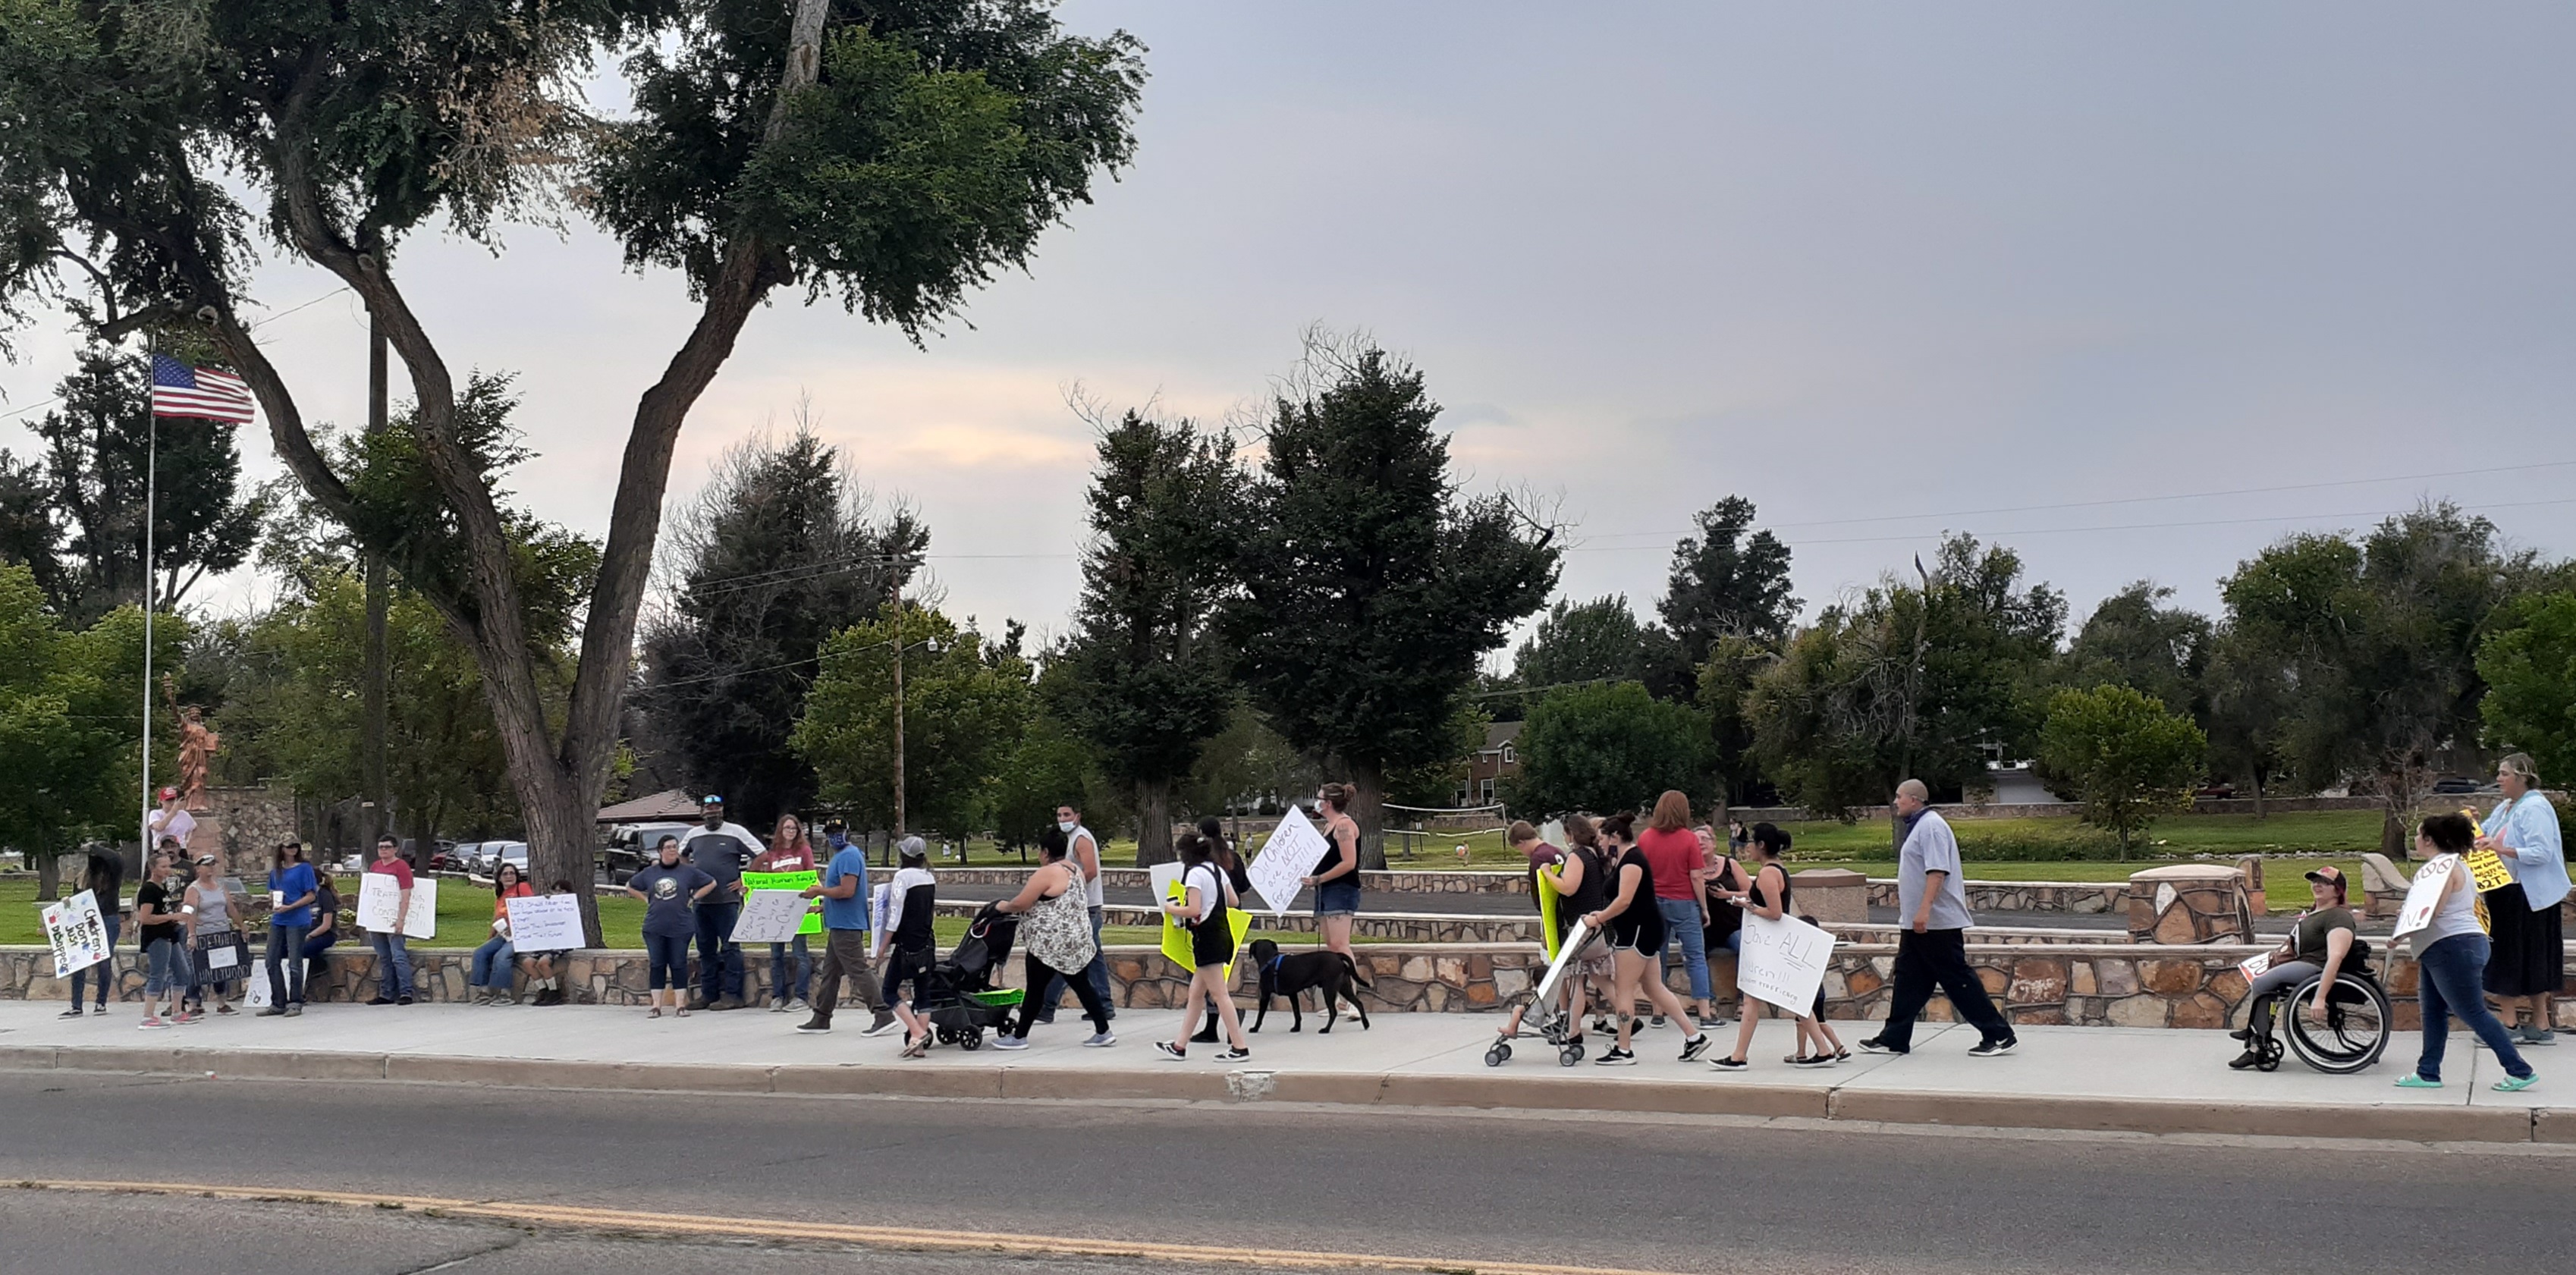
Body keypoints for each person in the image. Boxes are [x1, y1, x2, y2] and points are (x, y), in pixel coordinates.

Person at [1858, 780, 2016, 1058]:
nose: (1895, 802)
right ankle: (1894, 1038)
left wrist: (1924, 910)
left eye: (1899, 797)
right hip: (1918, 923)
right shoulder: (1920, 826)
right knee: (1908, 978)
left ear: (1914, 800)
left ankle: (1998, 1034)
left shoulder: (1931, 827)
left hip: (1936, 922)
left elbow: (1937, 871)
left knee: (1956, 977)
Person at [2399, 813, 2537, 1091]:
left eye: (2419, 834)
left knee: (2473, 1012)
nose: (2415, 839)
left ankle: (2520, 1071)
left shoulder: (2443, 870)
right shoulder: (2453, 865)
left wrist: (2402, 931)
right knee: (2433, 1011)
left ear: (2429, 840)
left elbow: (2432, 910)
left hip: (2451, 946)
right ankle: (2428, 1072)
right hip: (2444, 947)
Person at [1584, 814, 1714, 1066]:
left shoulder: (1632, 861)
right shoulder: (1626, 859)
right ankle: (1694, 1037)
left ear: (1615, 837)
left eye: (1602, 838)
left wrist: (1599, 918)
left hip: (1636, 931)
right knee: (1654, 987)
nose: (1600, 843)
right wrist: (1601, 915)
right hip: (1643, 929)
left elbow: (1624, 900)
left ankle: (1623, 1050)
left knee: (1623, 989)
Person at [1714, 824, 1844, 1069]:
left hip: (1769, 942)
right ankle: (1823, 1050)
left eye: (1751, 842)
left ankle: (1739, 1056)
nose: (1748, 847)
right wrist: (1736, 899)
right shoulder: (1777, 869)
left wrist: (1749, 908)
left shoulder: (1767, 874)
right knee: (1791, 999)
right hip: (1771, 941)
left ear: (1761, 845)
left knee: (1756, 998)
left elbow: (1775, 913)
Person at [992, 833, 1117, 1049]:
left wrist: (1002, 906)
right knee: (1083, 985)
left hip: (1049, 943)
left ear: (1046, 852)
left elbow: (1022, 902)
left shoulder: (1047, 873)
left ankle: (1019, 1037)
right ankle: (1103, 1031)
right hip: (1075, 940)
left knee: (1035, 989)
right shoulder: (1075, 870)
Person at [2229, 865, 2361, 1069]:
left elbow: (2336, 956)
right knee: (2265, 984)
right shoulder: (2315, 913)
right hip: (2304, 962)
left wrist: (2320, 997)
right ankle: (2257, 1035)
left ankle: (2256, 1043)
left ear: (2338, 890)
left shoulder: (2338, 917)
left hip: (2315, 967)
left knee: (2262, 983)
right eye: (2315, 881)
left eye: (2325, 883)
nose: (2317, 885)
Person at [2478, 753, 2567, 1047]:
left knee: (2518, 957)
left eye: (2504, 774)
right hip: (2507, 892)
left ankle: (2512, 1024)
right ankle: (2537, 1025)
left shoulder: (2535, 808)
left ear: (2522, 777)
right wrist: (2474, 824)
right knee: (2524, 957)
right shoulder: (2507, 807)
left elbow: (2541, 852)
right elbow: (2486, 835)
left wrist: (2502, 849)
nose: (2499, 779)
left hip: (2526, 897)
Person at [1156, 830, 1252, 1062]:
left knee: (1219, 994)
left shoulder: (1195, 874)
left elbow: (1194, 910)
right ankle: (1180, 1045)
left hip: (1206, 937)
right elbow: (1233, 901)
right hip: (1222, 933)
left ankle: (1239, 1047)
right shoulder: (1217, 870)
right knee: (1196, 993)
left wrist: (1170, 908)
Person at [794, 825, 898, 1037]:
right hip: (838, 923)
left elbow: (847, 891)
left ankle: (883, 1013)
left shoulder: (849, 857)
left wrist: (819, 891)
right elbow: (841, 893)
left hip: (847, 926)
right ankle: (822, 1017)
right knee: (830, 973)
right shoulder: (843, 856)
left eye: (838, 832)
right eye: (830, 833)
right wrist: (823, 906)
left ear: (847, 833)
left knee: (858, 969)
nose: (834, 837)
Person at [1637, 790, 1716, 1025]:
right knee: (1696, 957)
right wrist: (1704, 908)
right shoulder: (1688, 839)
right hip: (1683, 901)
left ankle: (1658, 1012)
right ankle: (1705, 1013)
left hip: (1653, 903)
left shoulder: (1646, 838)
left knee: (1655, 958)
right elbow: (1696, 876)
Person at [1032, 802, 1114, 1026]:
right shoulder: (1071, 838)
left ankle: (1047, 1005)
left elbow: (1091, 871)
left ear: (1078, 816)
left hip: (1086, 906)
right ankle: (1103, 1005)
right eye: (1059, 815)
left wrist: (1067, 888)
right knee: (1091, 956)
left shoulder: (1081, 839)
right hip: (1084, 905)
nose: (1062, 819)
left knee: (1067, 955)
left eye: (1067, 814)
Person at [680, 795, 764, 1011]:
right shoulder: (693, 834)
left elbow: (761, 854)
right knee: (705, 948)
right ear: (702, 812)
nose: (713, 812)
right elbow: (682, 855)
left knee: (730, 948)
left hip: (727, 901)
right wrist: (689, 876)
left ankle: (733, 995)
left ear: (722, 811)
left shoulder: (736, 832)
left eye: (716, 808)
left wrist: (745, 879)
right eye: (709, 809)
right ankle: (708, 994)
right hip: (701, 901)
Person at [627, 836, 716, 1019]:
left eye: (675, 846)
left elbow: (711, 883)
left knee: (678, 963)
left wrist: (693, 898)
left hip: (681, 925)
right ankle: (656, 1006)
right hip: (654, 926)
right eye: (668, 847)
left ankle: (680, 1005)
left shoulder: (688, 871)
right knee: (657, 964)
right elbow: (630, 886)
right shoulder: (650, 872)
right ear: (660, 851)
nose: (672, 850)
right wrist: (645, 899)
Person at [1498, 821, 1567, 1043]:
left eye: (1519, 849)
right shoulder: (1556, 851)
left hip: (1552, 918)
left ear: (1521, 842)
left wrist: (1546, 929)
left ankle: (1563, 1014)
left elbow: (1541, 896)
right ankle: (1567, 1014)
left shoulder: (1537, 858)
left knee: (1553, 966)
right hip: (1565, 915)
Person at [1301, 784, 1363, 1017]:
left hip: (1341, 889)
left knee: (1340, 944)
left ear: (1328, 803)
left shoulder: (1344, 826)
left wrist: (1320, 878)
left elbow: (1349, 862)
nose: (1316, 802)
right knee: (1332, 946)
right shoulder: (1328, 826)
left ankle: (1352, 999)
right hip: (1325, 890)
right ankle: (1339, 999)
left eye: (1319, 798)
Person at [873, 837, 939, 1057]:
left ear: (903, 856)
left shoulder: (902, 877)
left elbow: (895, 915)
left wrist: (883, 945)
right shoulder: (929, 877)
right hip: (926, 942)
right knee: (923, 993)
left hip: (907, 944)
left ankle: (917, 1032)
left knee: (889, 991)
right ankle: (918, 1047)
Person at [750, 815, 821, 1013]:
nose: (790, 831)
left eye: (794, 828)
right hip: (776, 910)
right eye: (787, 828)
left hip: (798, 908)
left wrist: (813, 901)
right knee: (776, 956)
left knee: (800, 954)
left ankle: (801, 997)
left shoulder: (804, 851)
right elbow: (761, 876)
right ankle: (778, 996)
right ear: (780, 830)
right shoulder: (773, 853)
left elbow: (811, 876)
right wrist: (750, 886)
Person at [63, 844, 126, 1017]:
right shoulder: (82, 879)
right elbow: (77, 901)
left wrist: (94, 846)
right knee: (79, 963)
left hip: (107, 919)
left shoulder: (112, 877)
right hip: (86, 921)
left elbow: (116, 859)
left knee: (103, 961)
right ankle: (76, 1005)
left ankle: (101, 1002)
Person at [259, 840, 319, 1018]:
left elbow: (311, 895)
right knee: (271, 959)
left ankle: (296, 1001)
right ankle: (278, 1001)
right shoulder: (276, 871)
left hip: (297, 919)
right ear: (282, 849)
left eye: (295, 846)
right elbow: (272, 892)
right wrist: (273, 900)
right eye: (289, 846)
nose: (292, 849)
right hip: (279, 919)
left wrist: (291, 906)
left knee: (295, 962)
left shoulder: (304, 868)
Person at [182, 853, 248, 1016]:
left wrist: (241, 925)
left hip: (221, 931)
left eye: (212, 865)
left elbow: (230, 908)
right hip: (204, 932)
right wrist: (192, 934)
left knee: (221, 967)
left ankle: (222, 1003)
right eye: (207, 865)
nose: (210, 868)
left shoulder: (220, 887)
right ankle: (192, 1003)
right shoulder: (194, 889)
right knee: (200, 969)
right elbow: (190, 912)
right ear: (198, 868)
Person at [134, 851, 190, 1028]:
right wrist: (172, 916)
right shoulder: (149, 890)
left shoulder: (163, 887)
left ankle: (177, 1011)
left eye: (169, 866)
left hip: (169, 934)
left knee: (182, 972)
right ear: (153, 868)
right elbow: (146, 918)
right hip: (156, 936)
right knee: (158, 974)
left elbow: (164, 911)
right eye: (163, 866)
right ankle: (148, 1016)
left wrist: (176, 914)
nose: (167, 870)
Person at [1698, 823, 1749, 1018]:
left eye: (1705, 839)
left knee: (1745, 947)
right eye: (1696, 841)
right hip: (1703, 929)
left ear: (1714, 843)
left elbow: (1750, 893)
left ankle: (1744, 1000)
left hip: (1732, 926)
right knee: (1693, 953)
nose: (1701, 843)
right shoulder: (1689, 870)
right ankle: (1709, 1002)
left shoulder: (1730, 864)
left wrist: (1727, 895)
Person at [362, 834, 416, 1006]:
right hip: (377, 919)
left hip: (393, 919)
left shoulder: (401, 867)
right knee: (384, 957)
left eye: (387, 847)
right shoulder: (375, 866)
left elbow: (406, 894)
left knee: (398, 956)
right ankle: (386, 994)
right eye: (381, 847)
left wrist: (401, 919)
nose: (383, 850)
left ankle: (406, 993)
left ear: (395, 849)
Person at [472, 862, 535, 1005]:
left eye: (512, 873)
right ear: (499, 878)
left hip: (520, 935)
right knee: (480, 953)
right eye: (505, 874)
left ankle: (505, 994)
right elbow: (496, 919)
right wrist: (489, 939)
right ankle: (484, 992)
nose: (509, 876)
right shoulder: (501, 896)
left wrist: (516, 926)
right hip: (503, 936)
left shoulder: (522, 887)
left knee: (501, 956)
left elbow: (531, 908)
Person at [519, 879, 577, 1006]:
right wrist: (545, 902)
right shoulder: (547, 906)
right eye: (555, 891)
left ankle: (554, 992)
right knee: (528, 963)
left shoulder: (570, 907)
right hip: (545, 942)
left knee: (543, 963)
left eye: (561, 891)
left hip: (560, 944)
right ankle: (543, 989)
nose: (557, 894)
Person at [303, 870, 344, 1000]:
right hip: (305, 932)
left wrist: (310, 936)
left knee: (302, 950)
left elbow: (326, 925)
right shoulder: (303, 896)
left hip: (325, 934)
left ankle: (320, 966)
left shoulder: (324, 895)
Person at [143, 787, 195, 858]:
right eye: (168, 800)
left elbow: (194, 828)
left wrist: (188, 841)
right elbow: (159, 827)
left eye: (173, 800)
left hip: (180, 849)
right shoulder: (155, 813)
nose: (172, 803)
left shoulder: (184, 815)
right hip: (162, 848)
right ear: (161, 801)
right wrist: (174, 811)